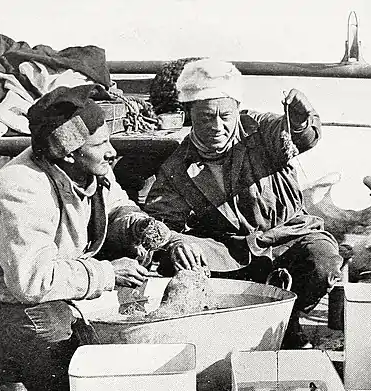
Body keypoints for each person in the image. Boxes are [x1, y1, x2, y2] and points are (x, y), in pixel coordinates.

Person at [0, 84, 176, 391]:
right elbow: (30, 282)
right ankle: (2, 365)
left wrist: (139, 225)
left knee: (103, 337)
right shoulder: (21, 189)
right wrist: (108, 274)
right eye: (101, 144)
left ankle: (56, 353)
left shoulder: (92, 169)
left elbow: (115, 206)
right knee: (53, 328)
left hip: (53, 279)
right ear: (70, 153)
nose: (112, 151)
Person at [144, 59, 343, 348]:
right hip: (230, 250)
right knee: (181, 264)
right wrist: (176, 243)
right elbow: (160, 224)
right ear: (189, 114)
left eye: (225, 115)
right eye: (205, 117)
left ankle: (289, 319)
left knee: (322, 264)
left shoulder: (261, 131)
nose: (216, 126)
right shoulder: (176, 166)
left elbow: (299, 137)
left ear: (238, 108)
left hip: (290, 235)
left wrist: (301, 119)